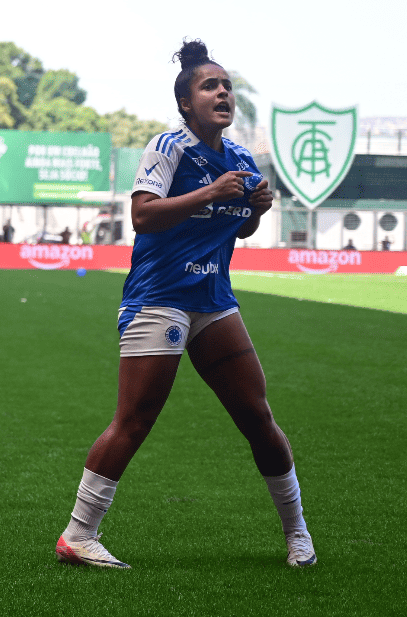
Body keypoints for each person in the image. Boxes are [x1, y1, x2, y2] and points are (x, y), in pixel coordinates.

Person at [54, 40, 316, 569]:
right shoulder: (166, 147)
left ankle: (298, 535)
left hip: (214, 301)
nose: (222, 93)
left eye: (227, 86)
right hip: (159, 299)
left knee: (257, 416)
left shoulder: (240, 160)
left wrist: (256, 211)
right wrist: (213, 193)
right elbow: (144, 217)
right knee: (134, 420)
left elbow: (236, 229)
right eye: (209, 86)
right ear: (186, 104)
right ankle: (78, 536)